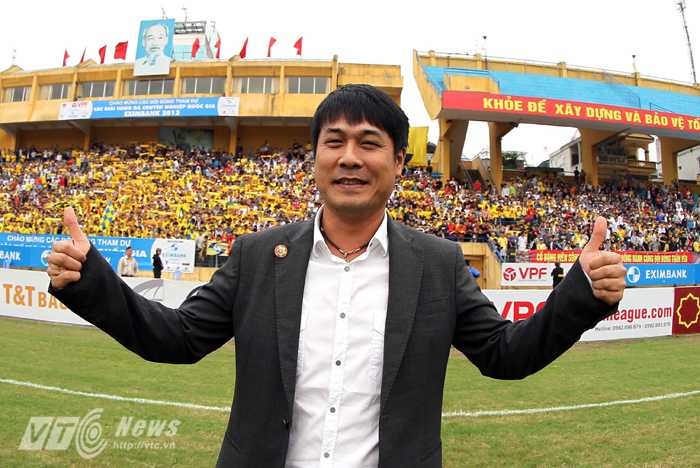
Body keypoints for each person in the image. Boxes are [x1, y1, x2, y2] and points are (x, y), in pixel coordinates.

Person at [46, 84, 627, 467]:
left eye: (369, 143)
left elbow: (506, 355)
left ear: (399, 162)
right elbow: (176, 338)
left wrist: (581, 294)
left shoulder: (438, 264)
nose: (350, 157)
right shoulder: (256, 255)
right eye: (335, 142)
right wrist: (90, 281)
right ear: (316, 159)